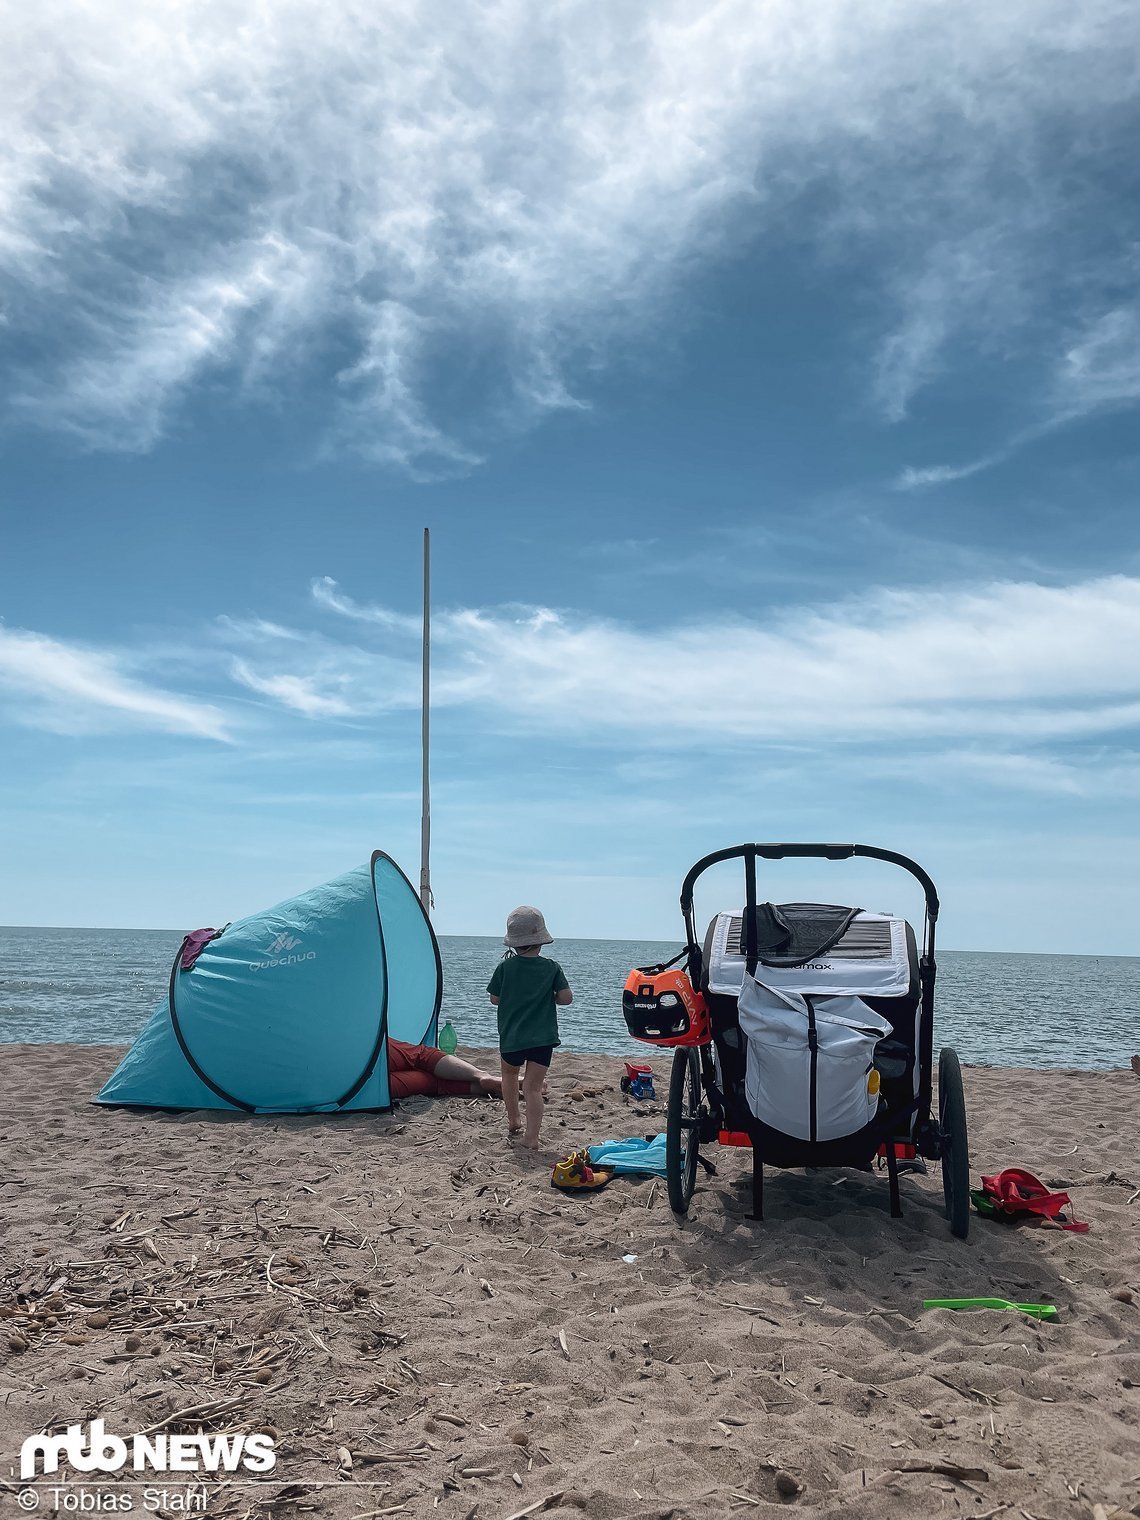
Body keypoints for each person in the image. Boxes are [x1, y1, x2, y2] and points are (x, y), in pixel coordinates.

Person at [487, 906, 572, 1149]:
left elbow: (494, 998)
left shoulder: (505, 968)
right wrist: (552, 996)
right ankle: (532, 1138)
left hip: (512, 1036)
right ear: (540, 941)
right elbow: (566, 998)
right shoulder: (551, 967)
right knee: (534, 1088)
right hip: (543, 1039)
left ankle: (514, 1120)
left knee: (509, 1076)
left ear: (513, 943)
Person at [387, 1038, 503, 1101]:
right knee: (421, 1055)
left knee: (434, 1083)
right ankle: (483, 1076)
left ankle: (486, 1089)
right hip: (372, 1052)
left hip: (372, 1090)